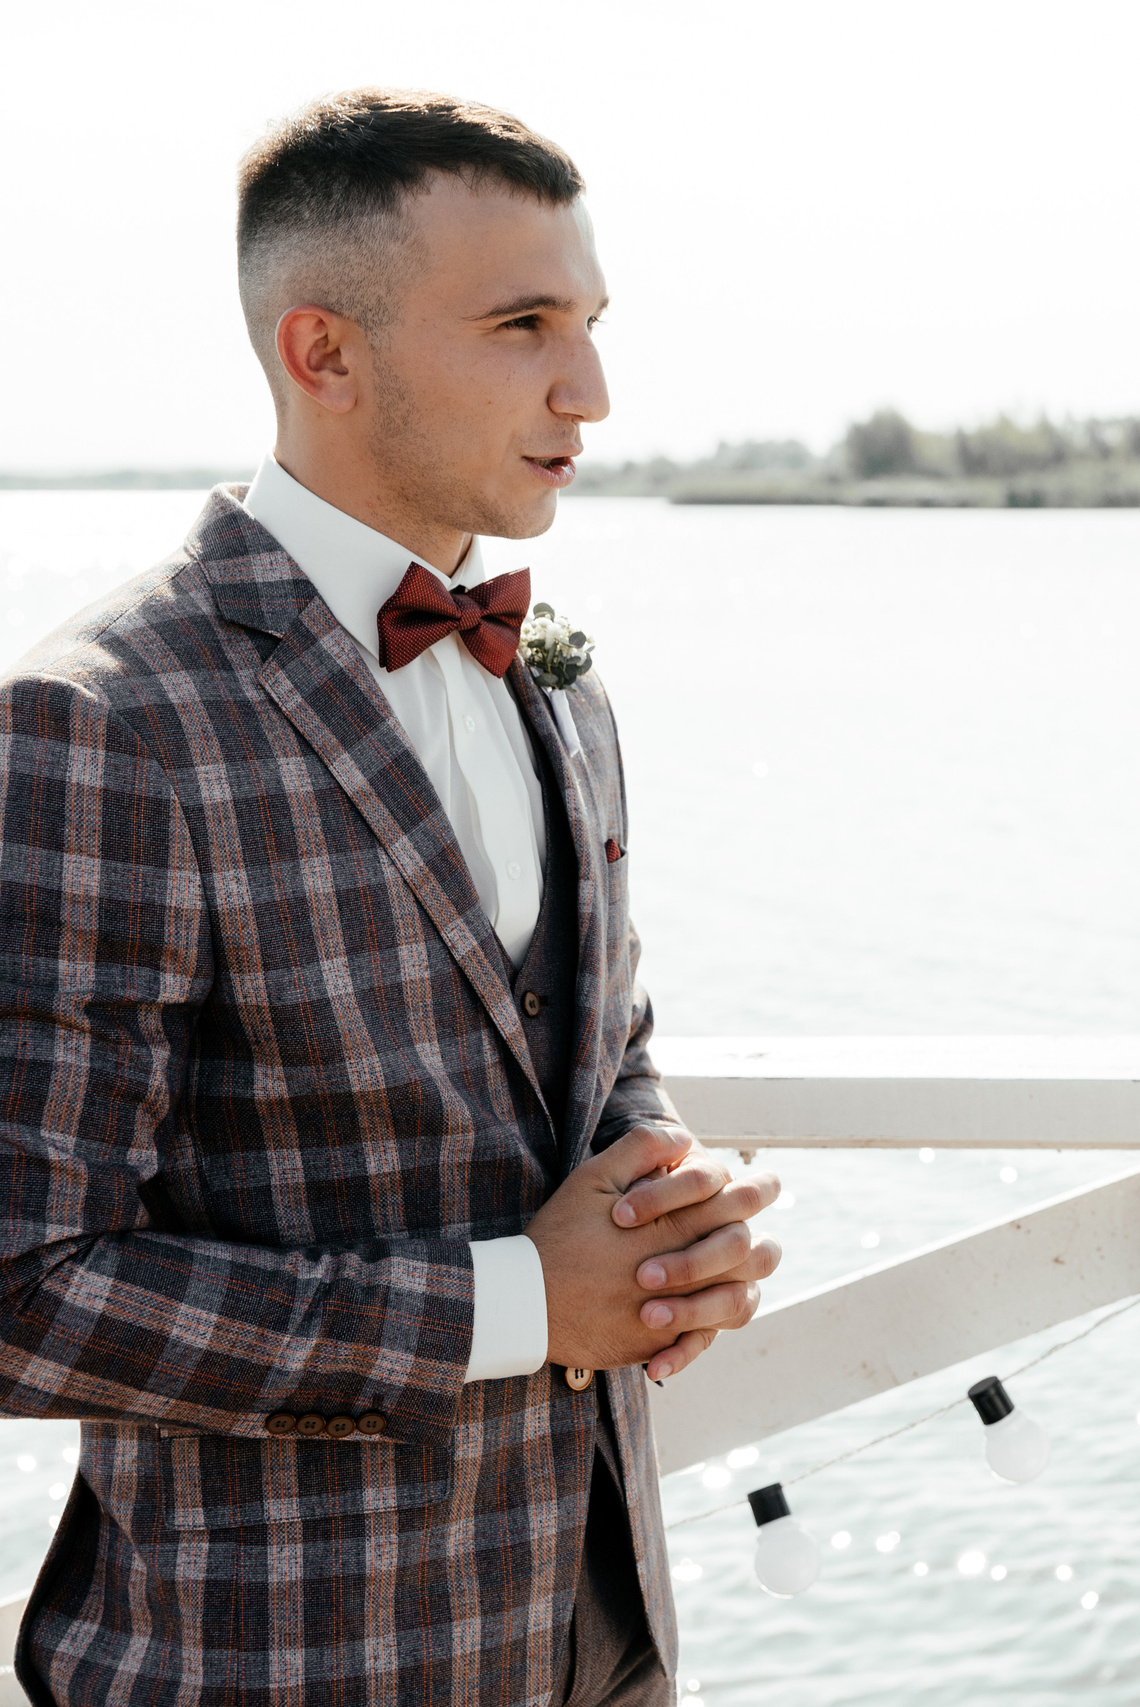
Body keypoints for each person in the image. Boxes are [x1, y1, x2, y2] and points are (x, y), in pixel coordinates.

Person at [0, 89, 781, 1706]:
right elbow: (19, 1292)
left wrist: (660, 1220)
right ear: (323, 352)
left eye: (592, 322)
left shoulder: (555, 676)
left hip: (598, 1637)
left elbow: (589, 1040)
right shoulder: (101, 719)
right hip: (271, 1669)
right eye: (522, 325)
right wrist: (517, 1299)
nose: (594, 391)